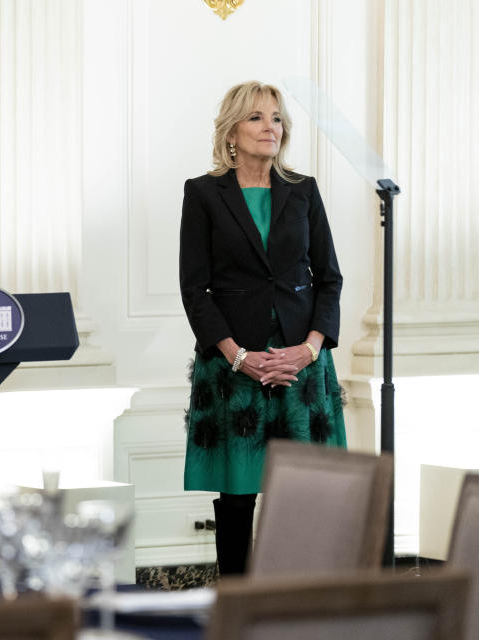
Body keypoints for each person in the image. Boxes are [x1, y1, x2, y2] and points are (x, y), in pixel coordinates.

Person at [178, 81, 346, 576]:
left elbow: (329, 278)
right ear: (231, 131)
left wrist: (309, 350)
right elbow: (195, 289)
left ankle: (299, 605)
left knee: (305, 494)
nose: (270, 127)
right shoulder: (204, 194)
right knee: (237, 497)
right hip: (233, 365)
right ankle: (236, 605)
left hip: (302, 364)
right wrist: (238, 357)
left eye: (276, 118)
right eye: (256, 117)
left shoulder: (304, 190)